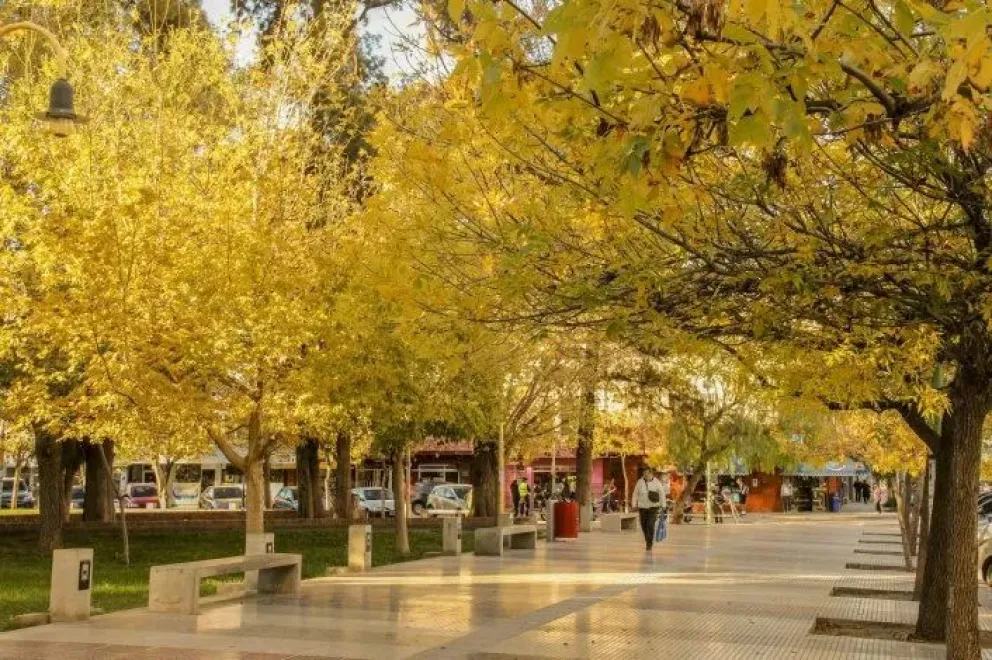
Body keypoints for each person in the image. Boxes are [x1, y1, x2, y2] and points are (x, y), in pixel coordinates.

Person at [631, 467, 665, 550]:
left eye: (647, 473)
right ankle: (648, 539)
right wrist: (633, 504)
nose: (645, 475)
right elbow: (635, 494)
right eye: (644, 473)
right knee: (643, 525)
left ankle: (649, 543)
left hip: (653, 507)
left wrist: (663, 505)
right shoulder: (640, 482)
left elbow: (662, 494)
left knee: (650, 525)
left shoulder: (657, 482)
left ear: (651, 473)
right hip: (642, 507)